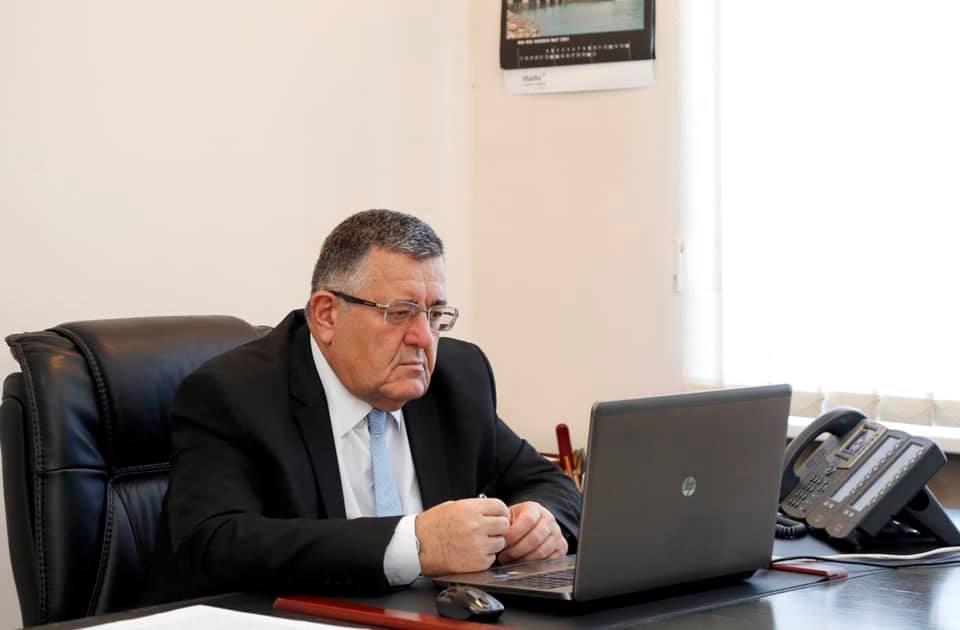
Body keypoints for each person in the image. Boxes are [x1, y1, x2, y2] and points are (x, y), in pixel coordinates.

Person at [147, 209, 581, 599]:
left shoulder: (457, 378)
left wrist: (542, 522)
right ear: (327, 315)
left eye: (435, 315)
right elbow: (214, 544)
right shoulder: (233, 393)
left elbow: (551, 484)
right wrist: (415, 544)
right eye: (400, 312)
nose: (423, 338)